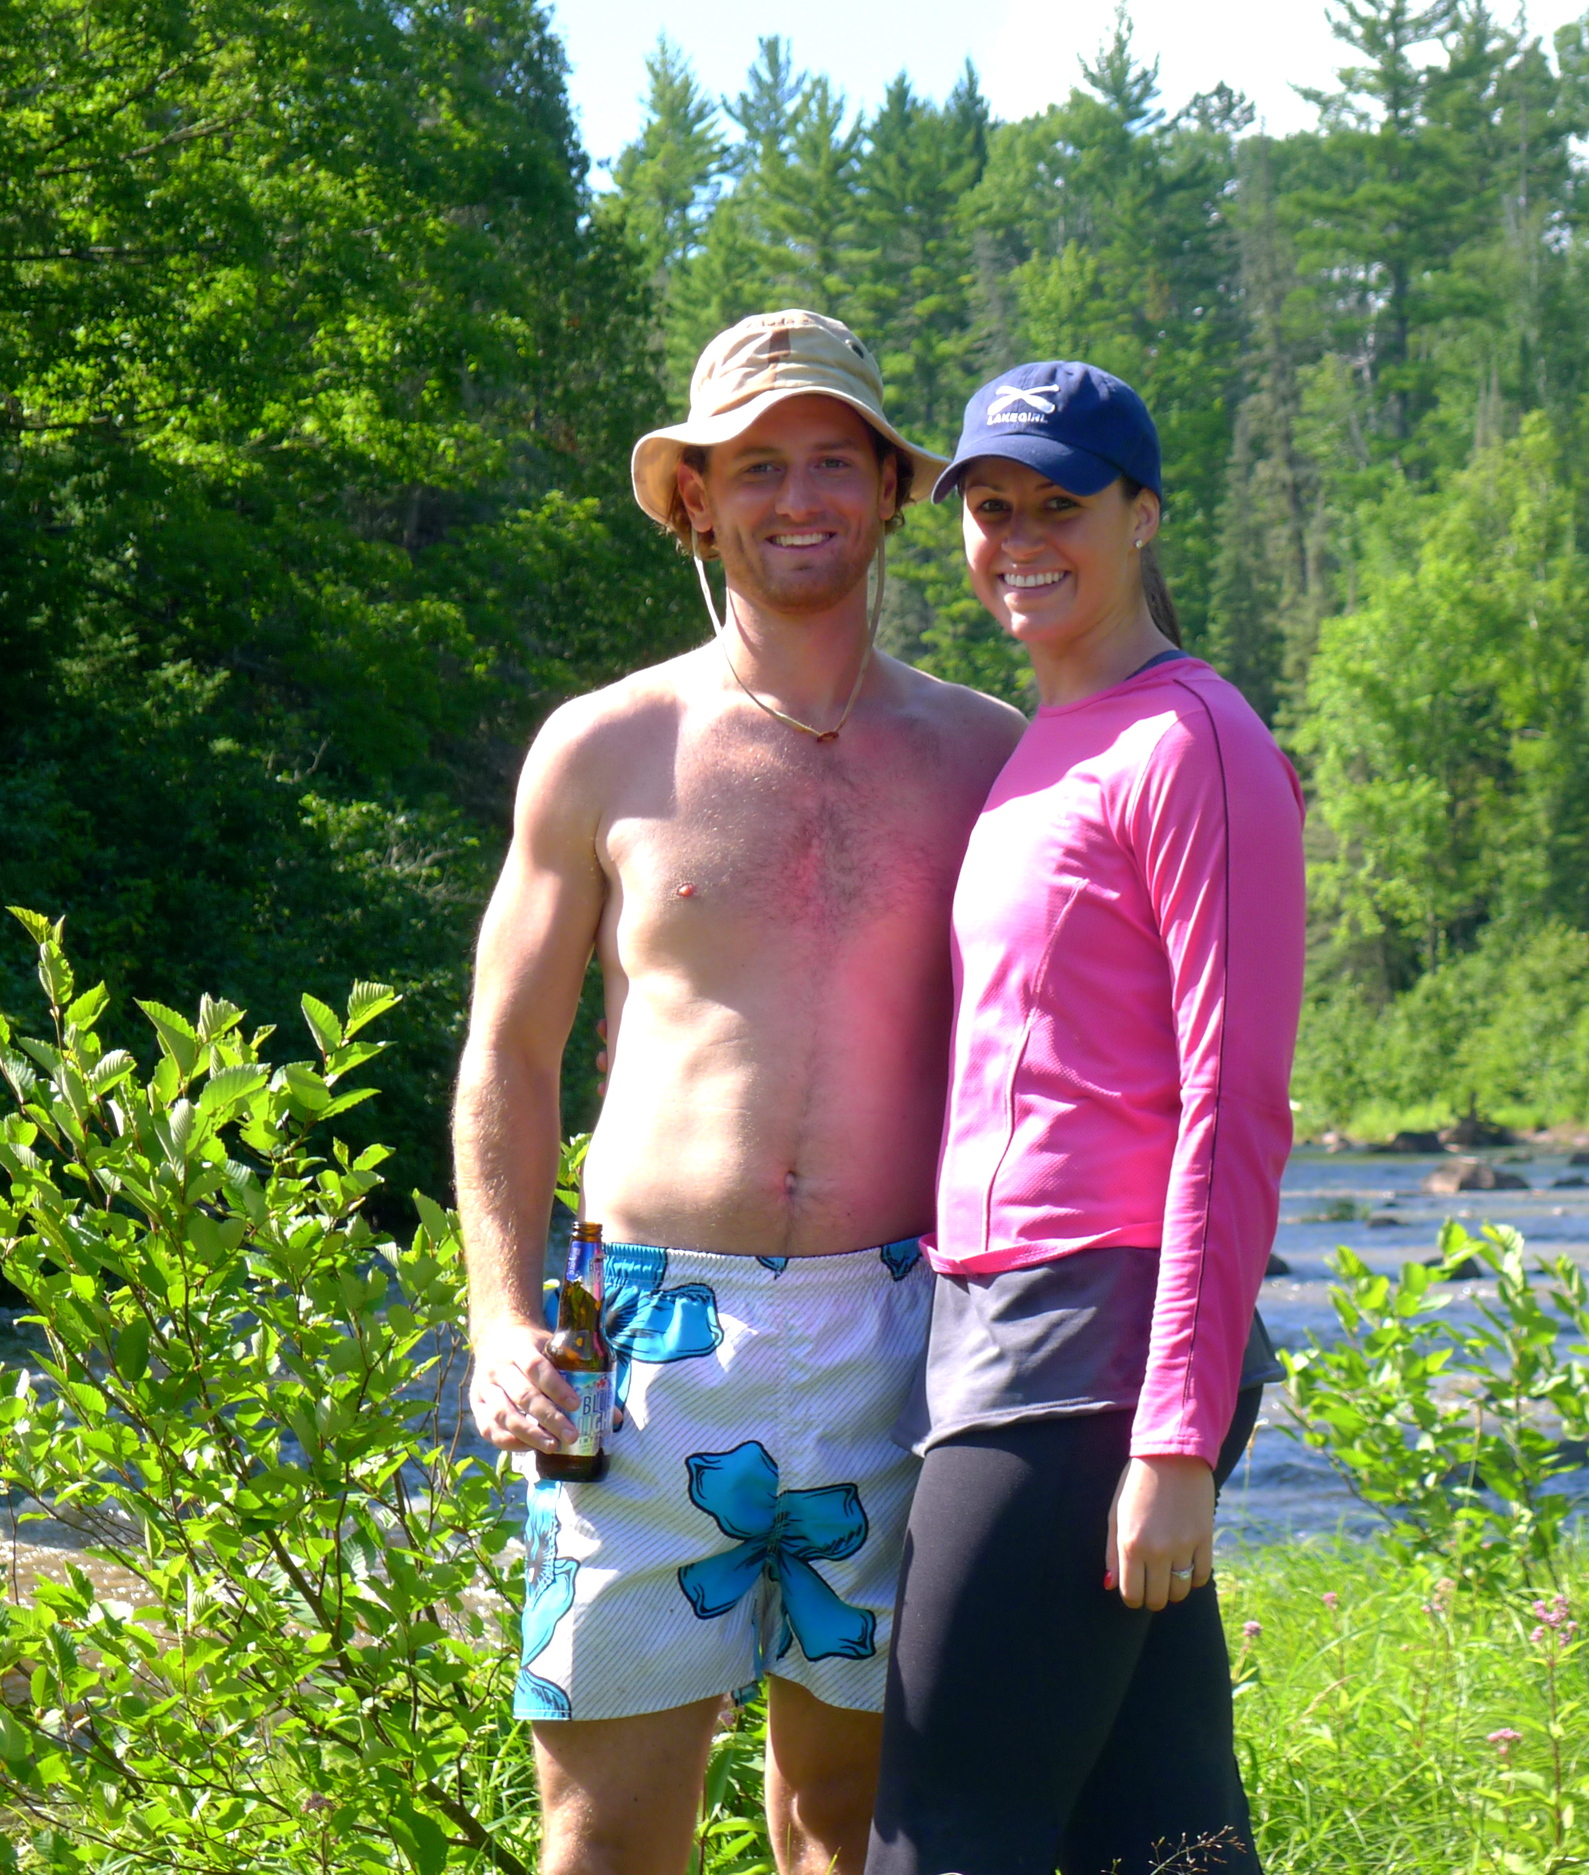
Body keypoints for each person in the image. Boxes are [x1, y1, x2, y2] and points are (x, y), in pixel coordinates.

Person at [455, 309, 1027, 1875]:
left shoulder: (992, 760)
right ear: (695, 502)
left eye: (832, 461)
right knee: (607, 1829)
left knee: (849, 1821)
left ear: (892, 490)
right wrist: (502, 1320)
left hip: (906, 1329)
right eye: (756, 466)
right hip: (639, 1344)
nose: (798, 499)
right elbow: (506, 1053)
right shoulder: (605, 748)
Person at [866, 362, 1306, 1875]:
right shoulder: (1050, 741)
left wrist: (1175, 1438)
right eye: (991, 508)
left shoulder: (1194, 740)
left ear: (1144, 514)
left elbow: (1235, 1108)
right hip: (1002, 1321)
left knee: (938, 1830)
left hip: (1094, 1351)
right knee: (1161, 1838)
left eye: (1061, 503)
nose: (1018, 536)